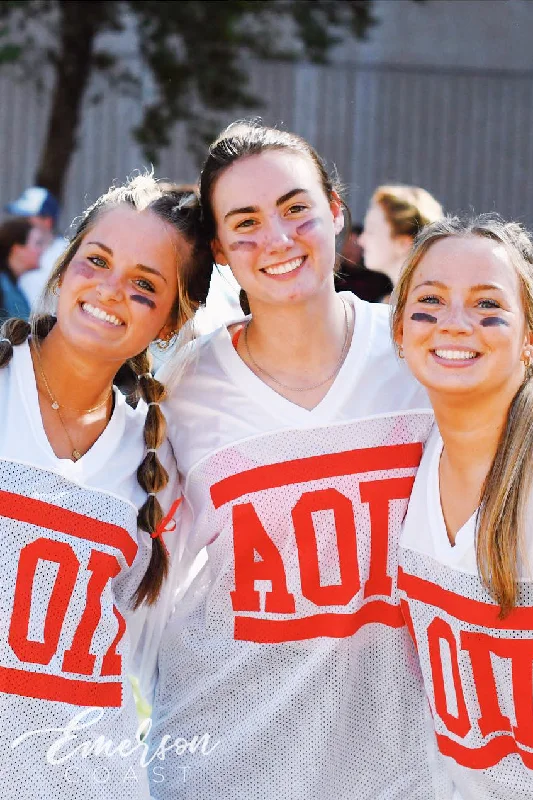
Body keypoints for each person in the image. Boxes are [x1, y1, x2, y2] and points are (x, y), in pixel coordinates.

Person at [133, 121, 452, 799]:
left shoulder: (417, 356)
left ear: (336, 210)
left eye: (295, 208)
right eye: (244, 221)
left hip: (400, 775)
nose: (276, 239)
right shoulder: (182, 394)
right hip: (225, 769)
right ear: (218, 248)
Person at [0, 175, 211, 799]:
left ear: (173, 319)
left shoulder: (155, 458)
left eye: (145, 285)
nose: (110, 290)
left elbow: (155, 647)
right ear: (64, 270)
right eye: (97, 261)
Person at [392, 214, 533, 799]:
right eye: (430, 300)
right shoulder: (415, 456)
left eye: (487, 305)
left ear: (529, 336)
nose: (455, 324)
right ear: (398, 330)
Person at [359, 184, 443, 295]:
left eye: (371, 231)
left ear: (403, 244)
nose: (361, 240)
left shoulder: (428, 306)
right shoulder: (390, 304)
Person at [5, 185, 67, 308]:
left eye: (27, 219)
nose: (20, 225)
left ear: (47, 221)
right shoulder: (14, 248)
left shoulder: (67, 255)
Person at [0, 216, 46, 322]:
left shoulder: (12, 286)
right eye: (37, 243)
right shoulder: (3, 287)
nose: (41, 250)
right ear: (17, 249)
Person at [335, 222, 394, 303]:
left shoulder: (380, 280)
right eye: (347, 245)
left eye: (354, 246)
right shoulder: (335, 278)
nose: (350, 251)